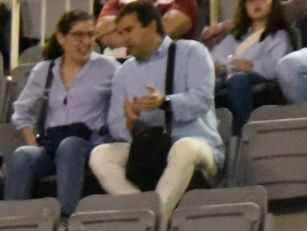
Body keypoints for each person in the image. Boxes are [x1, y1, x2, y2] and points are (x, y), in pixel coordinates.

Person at [90, 2, 224, 217]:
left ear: (152, 26)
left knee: (184, 148)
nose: (124, 39)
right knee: (100, 155)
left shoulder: (192, 52)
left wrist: (165, 102)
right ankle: (140, 209)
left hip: (198, 144)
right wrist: (130, 121)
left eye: (129, 30)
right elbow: (116, 126)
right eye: (121, 32)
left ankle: (156, 217)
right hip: (149, 152)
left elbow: (202, 99)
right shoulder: (124, 72)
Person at [7, 13, 118, 213]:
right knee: (22, 155)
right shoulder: (44, 70)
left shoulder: (108, 67)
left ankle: (67, 216)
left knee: (70, 146)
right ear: (61, 38)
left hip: (90, 143)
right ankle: (14, 220)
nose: (85, 42)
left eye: (90, 35)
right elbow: (22, 110)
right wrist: (32, 142)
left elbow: (122, 103)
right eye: (78, 35)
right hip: (52, 143)